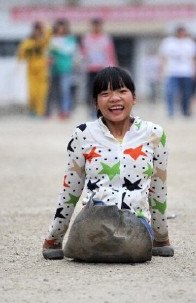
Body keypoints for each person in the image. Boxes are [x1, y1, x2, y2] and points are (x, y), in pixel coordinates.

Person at [42, 66, 173, 260]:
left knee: (131, 233)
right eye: (105, 93)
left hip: (135, 222)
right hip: (94, 219)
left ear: (134, 98)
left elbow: (158, 189)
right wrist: (55, 236)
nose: (114, 98)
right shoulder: (83, 134)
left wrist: (161, 236)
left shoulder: (154, 134)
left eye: (122, 91)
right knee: (97, 229)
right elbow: (71, 190)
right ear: (95, 102)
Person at [81, 18, 118, 118]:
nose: (96, 28)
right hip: (90, 68)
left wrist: (113, 67)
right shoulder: (87, 38)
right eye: (94, 26)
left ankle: (102, 109)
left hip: (103, 69)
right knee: (91, 91)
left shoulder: (106, 38)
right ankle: (92, 110)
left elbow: (110, 53)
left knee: (103, 91)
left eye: (98, 26)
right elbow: (84, 53)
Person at [159, 25, 196, 117]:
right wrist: (161, 70)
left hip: (186, 72)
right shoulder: (168, 42)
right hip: (172, 71)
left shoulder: (190, 43)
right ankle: (171, 111)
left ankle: (185, 111)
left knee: (186, 94)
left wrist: (195, 71)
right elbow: (163, 57)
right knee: (170, 92)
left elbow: (193, 58)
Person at [17, 21, 51, 117]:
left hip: (42, 72)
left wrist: (44, 25)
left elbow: (49, 34)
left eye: (39, 31)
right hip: (31, 72)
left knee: (41, 94)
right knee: (32, 94)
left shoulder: (42, 42)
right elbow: (21, 56)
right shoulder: (27, 43)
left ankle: (39, 113)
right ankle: (32, 110)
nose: (37, 32)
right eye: (35, 30)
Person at [46, 19, 78, 120]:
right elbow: (50, 54)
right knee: (56, 91)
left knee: (65, 90)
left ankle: (65, 110)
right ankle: (59, 110)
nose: (60, 29)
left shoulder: (70, 40)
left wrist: (74, 64)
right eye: (59, 27)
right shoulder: (53, 39)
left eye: (62, 27)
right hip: (55, 68)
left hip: (66, 68)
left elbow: (71, 53)